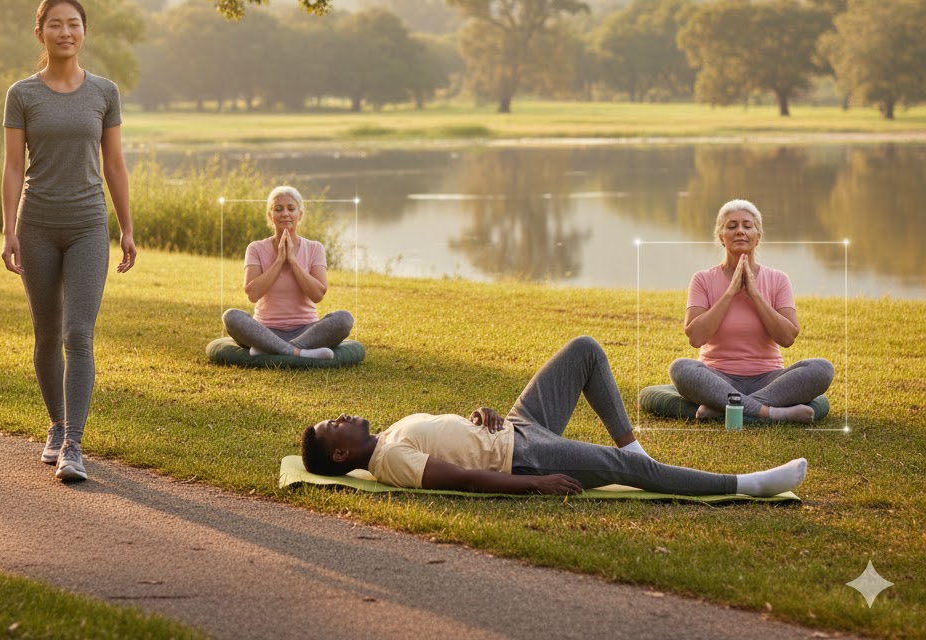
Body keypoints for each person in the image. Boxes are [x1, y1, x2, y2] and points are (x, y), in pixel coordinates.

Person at [302, 335, 807, 498]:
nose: (341, 415)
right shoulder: (389, 460)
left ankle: (633, 445)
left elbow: (452, 439)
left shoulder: (390, 435)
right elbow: (460, 478)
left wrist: (479, 415)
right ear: (342, 452)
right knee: (628, 472)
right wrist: (534, 484)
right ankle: (746, 484)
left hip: (519, 427)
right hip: (526, 456)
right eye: (333, 425)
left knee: (584, 350)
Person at [1, 0, 135, 483]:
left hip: (86, 225)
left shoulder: (104, 91)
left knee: (78, 333)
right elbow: (14, 166)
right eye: (55, 24)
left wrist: (126, 227)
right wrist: (9, 229)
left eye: (73, 24)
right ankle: (56, 427)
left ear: (84, 31)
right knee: (46, 333)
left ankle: (73, 445)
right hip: (36, 225)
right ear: (41, 33)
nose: (65, 32)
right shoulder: (22, 94)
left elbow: (114, 164)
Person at [669, 199, 834, 423]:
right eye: (732, 226)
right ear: (720, 235)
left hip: (768, 380)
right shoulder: (703, 280)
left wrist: (755, 294)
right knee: (681, 368)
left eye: (747, 226)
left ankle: (725, 408)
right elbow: (695, 337)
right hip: (718, 378)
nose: (740, 231)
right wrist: (729, 293)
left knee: (821, 368)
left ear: (758, 235)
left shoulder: (777, 279)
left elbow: (787, 338)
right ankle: (771, 413)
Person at [222, 185, 353, 360]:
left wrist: (293, 261)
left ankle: (272, 349)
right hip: (265, 330)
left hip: (307, 330)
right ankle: (297, 352)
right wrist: (279, 261)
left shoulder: (315, 248)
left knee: (344, 319)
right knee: (231, 317)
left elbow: (318, 295)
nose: (285, 213)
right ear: (270, 216)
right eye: (278, 209)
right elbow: (252, 294)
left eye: (291, 208)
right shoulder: (255, 248)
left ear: (300, 214)